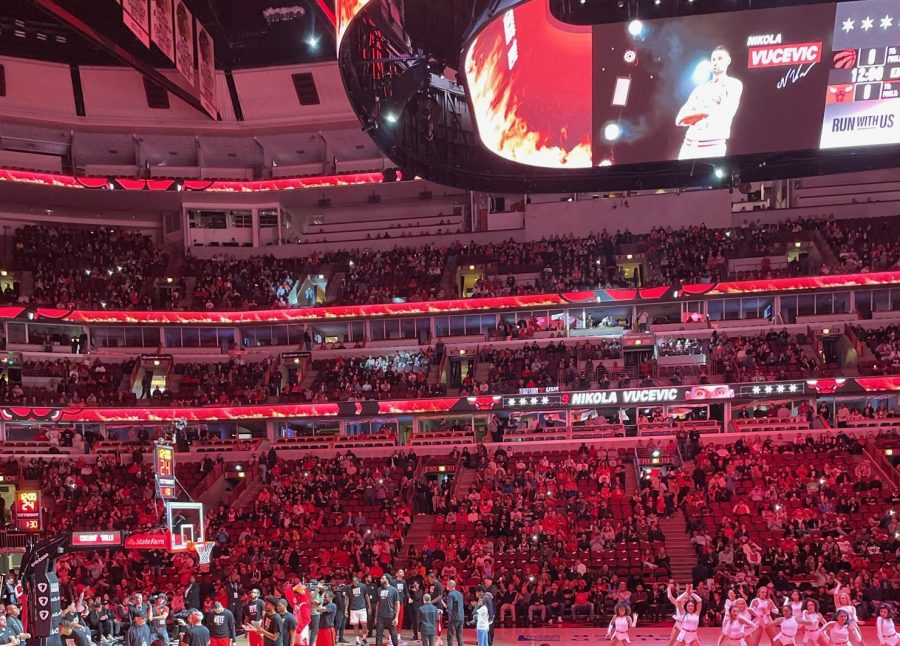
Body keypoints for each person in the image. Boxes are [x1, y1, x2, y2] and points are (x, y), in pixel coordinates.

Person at [675, 46, 743, 160]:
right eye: (713, 59)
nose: (716, 62)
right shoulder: (700, 89)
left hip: (712, 147)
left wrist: (697, 114)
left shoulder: (734, 84)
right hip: (688, 146)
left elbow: (725, 113)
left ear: (728, 61)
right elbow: (679, 119)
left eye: (719, 58)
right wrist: (703, 113)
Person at [375, 575, 400, 646]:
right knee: (378, 634)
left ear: (388, 580)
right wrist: (376, 617)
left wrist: (396, 617)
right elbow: (378, 604)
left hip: (390, 615)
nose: (381, 579)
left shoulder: (394, 590)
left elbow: (397, 604)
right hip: (380, 616)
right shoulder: (379, 589)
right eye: (381, 578)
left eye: (383, 578)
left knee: (393, 633)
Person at [347, 576, 370, 646]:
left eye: (356, 581)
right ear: (352, 582)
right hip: (353, 609)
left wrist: (369, 607)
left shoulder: (363, 586)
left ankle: (364, 638)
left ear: (358, 581)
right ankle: (357, 640)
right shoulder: (349, 588)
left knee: (364, 624)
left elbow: (366, 596)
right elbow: (347, 599)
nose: (355, 583)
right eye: (353, 582)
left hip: (362, 608)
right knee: (355, 625)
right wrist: (345, 609)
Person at [446, 580, 465, 646]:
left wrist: (449, 618)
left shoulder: (450, 594)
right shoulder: (460, 594)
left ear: (450, 585)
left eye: (447, 585)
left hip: (454, 617)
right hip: (461, 616)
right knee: (459, 635)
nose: (446, 586)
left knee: (450, 635)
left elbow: (450, 608)